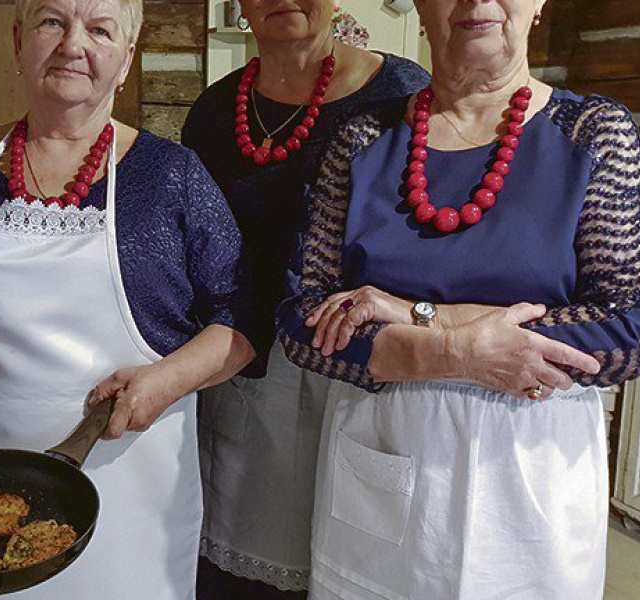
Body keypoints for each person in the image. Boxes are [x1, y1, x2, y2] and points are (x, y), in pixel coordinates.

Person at [0, 0, 255, 596]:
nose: (73, 44)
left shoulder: (172, 176)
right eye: (52, 22)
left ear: (125, 61)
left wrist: (166, 380)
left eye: (100, 30)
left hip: (131, 494)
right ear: (19, 43)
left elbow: (244, 320)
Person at [275, 0, 640, 598]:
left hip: (532, 460)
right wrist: (456, 354)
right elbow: (305, 320)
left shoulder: (592, 133)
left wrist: (419, 316)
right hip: (384, 445)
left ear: (538, 6)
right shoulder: (363, 137)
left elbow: (630, 330)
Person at [179, 1, 427, 598]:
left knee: (358, 558)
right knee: (247, 564)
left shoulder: (403, 94)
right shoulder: (215, 111)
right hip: (248, 373)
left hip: (364, 369)